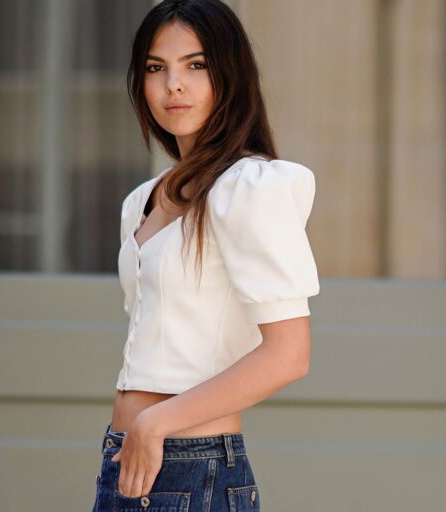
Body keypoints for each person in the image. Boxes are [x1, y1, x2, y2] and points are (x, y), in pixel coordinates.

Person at [92, 1, 320, 510]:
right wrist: (141, 432)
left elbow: (289, 353)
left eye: (196, 65)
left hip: (193, 465)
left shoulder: (250, 187)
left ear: (231, 75)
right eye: (156, 68)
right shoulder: (143, 201)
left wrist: (156, 422)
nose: (174, 84)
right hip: (128, 457)